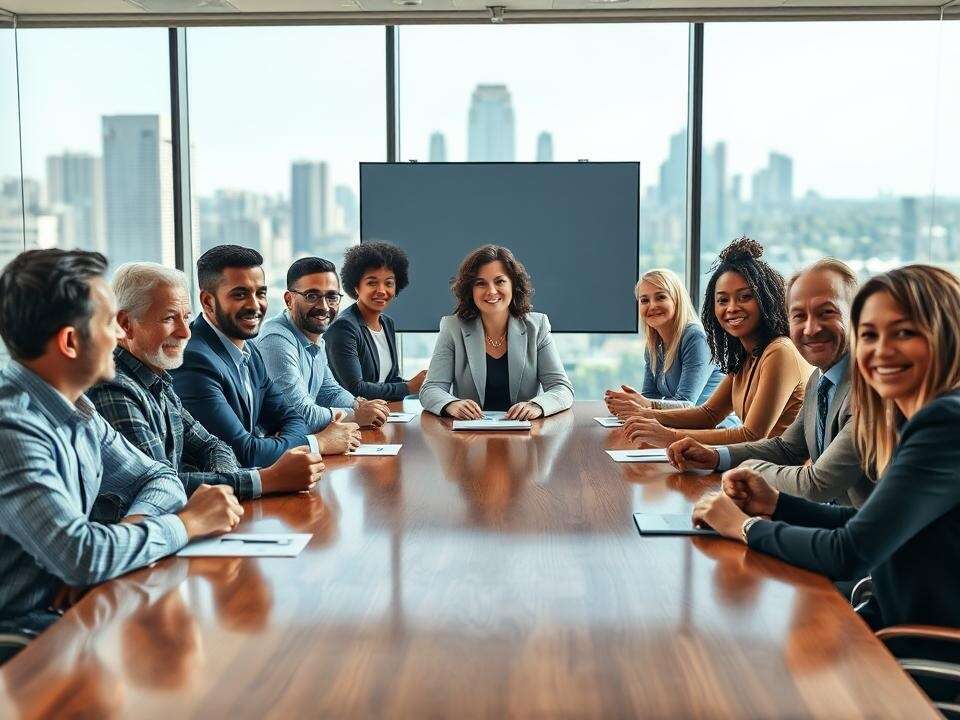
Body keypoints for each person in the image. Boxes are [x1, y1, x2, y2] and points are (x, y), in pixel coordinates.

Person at [693, 264, 960, 631]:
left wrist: (745, 527)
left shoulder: (944, 424)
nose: (882, 351)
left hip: (919, 643)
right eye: (870, 335)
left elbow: (847, 552)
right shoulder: (919, 416)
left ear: (947, 335)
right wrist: (775, 504)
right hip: (888, 613)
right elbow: (863, 522)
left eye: (904, 333)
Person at [0, 249, 241, 640]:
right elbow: (83, 557)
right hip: (21, 635)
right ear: (70, 342)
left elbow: (161, 478)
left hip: (68, 617)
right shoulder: (12, 428)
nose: (118, 334)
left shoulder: (79, 410)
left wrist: (132, 527)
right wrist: (186, 523)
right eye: (109, 322)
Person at [88, 262, 325, 501]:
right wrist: (265, 480)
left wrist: (224, 487)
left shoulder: (157, 379)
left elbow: (214, 446)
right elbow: (157, 484)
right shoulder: (114, 387)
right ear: (125, 324)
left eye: (186, 317)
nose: (185, 332)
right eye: (170, 318)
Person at [668, 258, 872, 507]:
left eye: (826, 312)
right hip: (829, 524)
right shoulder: (820, 378)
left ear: (859, 316)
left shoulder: (869, 390)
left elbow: (817, 484)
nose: (810, 329)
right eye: (798, 315)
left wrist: (749, 470)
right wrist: (714, 457)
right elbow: (787, 449)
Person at [171, 245, 360, 469]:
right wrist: (318, 442)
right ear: (208, 302)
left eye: (260, 293)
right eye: (240, 294)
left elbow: (293, 418)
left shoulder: (250, 351)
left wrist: (277, 444)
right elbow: (244, 453)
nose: (254, 305)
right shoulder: (194, 359)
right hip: (217, 497)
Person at [624, 237, 812, 447]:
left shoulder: (780, 351)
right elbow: (709, 413)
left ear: (765, 299)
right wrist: (645, 416)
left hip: (777, 474)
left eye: (744, 297)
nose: (731, 308)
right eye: (722, 300)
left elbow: (752, 436)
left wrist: (670, 436)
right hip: (754, 468)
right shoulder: (746, 355)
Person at [420, 244, 574, 420]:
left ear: (513, 285)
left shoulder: (537, 327)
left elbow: (562, 388)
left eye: (500, 281)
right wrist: (450, 404)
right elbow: (430, 388)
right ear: (470, 290)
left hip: (524, 437)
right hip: (469, 437)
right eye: (480, 283)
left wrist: (537, 405)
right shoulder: (453, 327)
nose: (491, 291)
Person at [257, 257, 389, 432]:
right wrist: (356, 416)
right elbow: (298, 415)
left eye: (332, 297)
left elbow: (329, 391)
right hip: (276, 451)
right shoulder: (276, 340)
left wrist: (359, 405)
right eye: (312, 296)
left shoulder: (315, 337)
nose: (324, 306)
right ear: (289, 300)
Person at [604, 268, 724, 418]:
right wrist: (629, 405)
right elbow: (650, 395)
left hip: (714, 431)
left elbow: (686, 404)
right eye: (644, 300)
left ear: (677, 300)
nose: (652, 305)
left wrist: (642, 404)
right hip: (679, 428)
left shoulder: (696, 338)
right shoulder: (653, 345)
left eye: (660, 297)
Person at [324, 242, 427, 401]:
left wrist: (424, 384)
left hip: (384, 414)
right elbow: (355, 389)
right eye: (372, 283)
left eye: (389, 283)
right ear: (356, 286)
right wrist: (409, 387)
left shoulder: (387, 323)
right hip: (350, 417)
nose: (381, 290)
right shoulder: (343, 327)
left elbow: (390, 380)